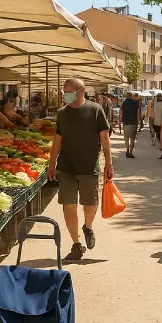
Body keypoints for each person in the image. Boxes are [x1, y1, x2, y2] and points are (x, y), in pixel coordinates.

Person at [48, 78, 112, 260]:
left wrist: (109, 162)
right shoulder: (62, 114)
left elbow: (105, 139)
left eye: (68, 92)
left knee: (90, 204)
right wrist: (52, 163)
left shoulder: (95, 110)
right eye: (64, 92)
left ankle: (88, 227)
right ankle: (76, 244)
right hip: (66, 167)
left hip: (89, 166)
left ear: (81, 91)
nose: (65, 95)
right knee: (69, 206)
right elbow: (57, 140)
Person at [120, 91, 140, 158]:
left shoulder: (124, 103)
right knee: (132, 138)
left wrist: (120, 120)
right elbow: (138, 113)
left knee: (126, 138)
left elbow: (121, 112)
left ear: (127, 96)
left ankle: (127, 150)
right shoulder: (135, 103)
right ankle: (131, 152)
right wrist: (138, 121)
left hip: (126, 122)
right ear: (131, 96)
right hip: (133, 122)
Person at [150, 94, 162, 159]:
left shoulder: (154, 103)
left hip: (156, 123)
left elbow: (152, 115)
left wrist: (151, 124)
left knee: (159, 137)